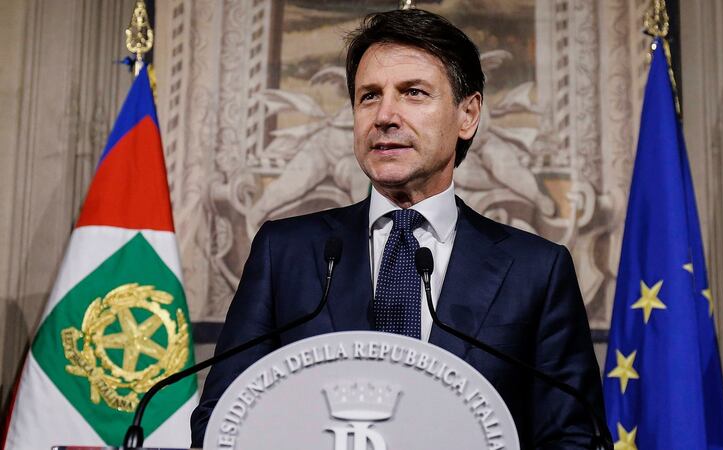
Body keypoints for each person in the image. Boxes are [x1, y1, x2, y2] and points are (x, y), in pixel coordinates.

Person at [191, 9, 604, 448]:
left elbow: (575, 439)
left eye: (413, 93)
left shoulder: (535, 271)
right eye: (369, 96)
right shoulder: (286, 252)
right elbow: (222, 419)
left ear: (467, 114)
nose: (385, 115)